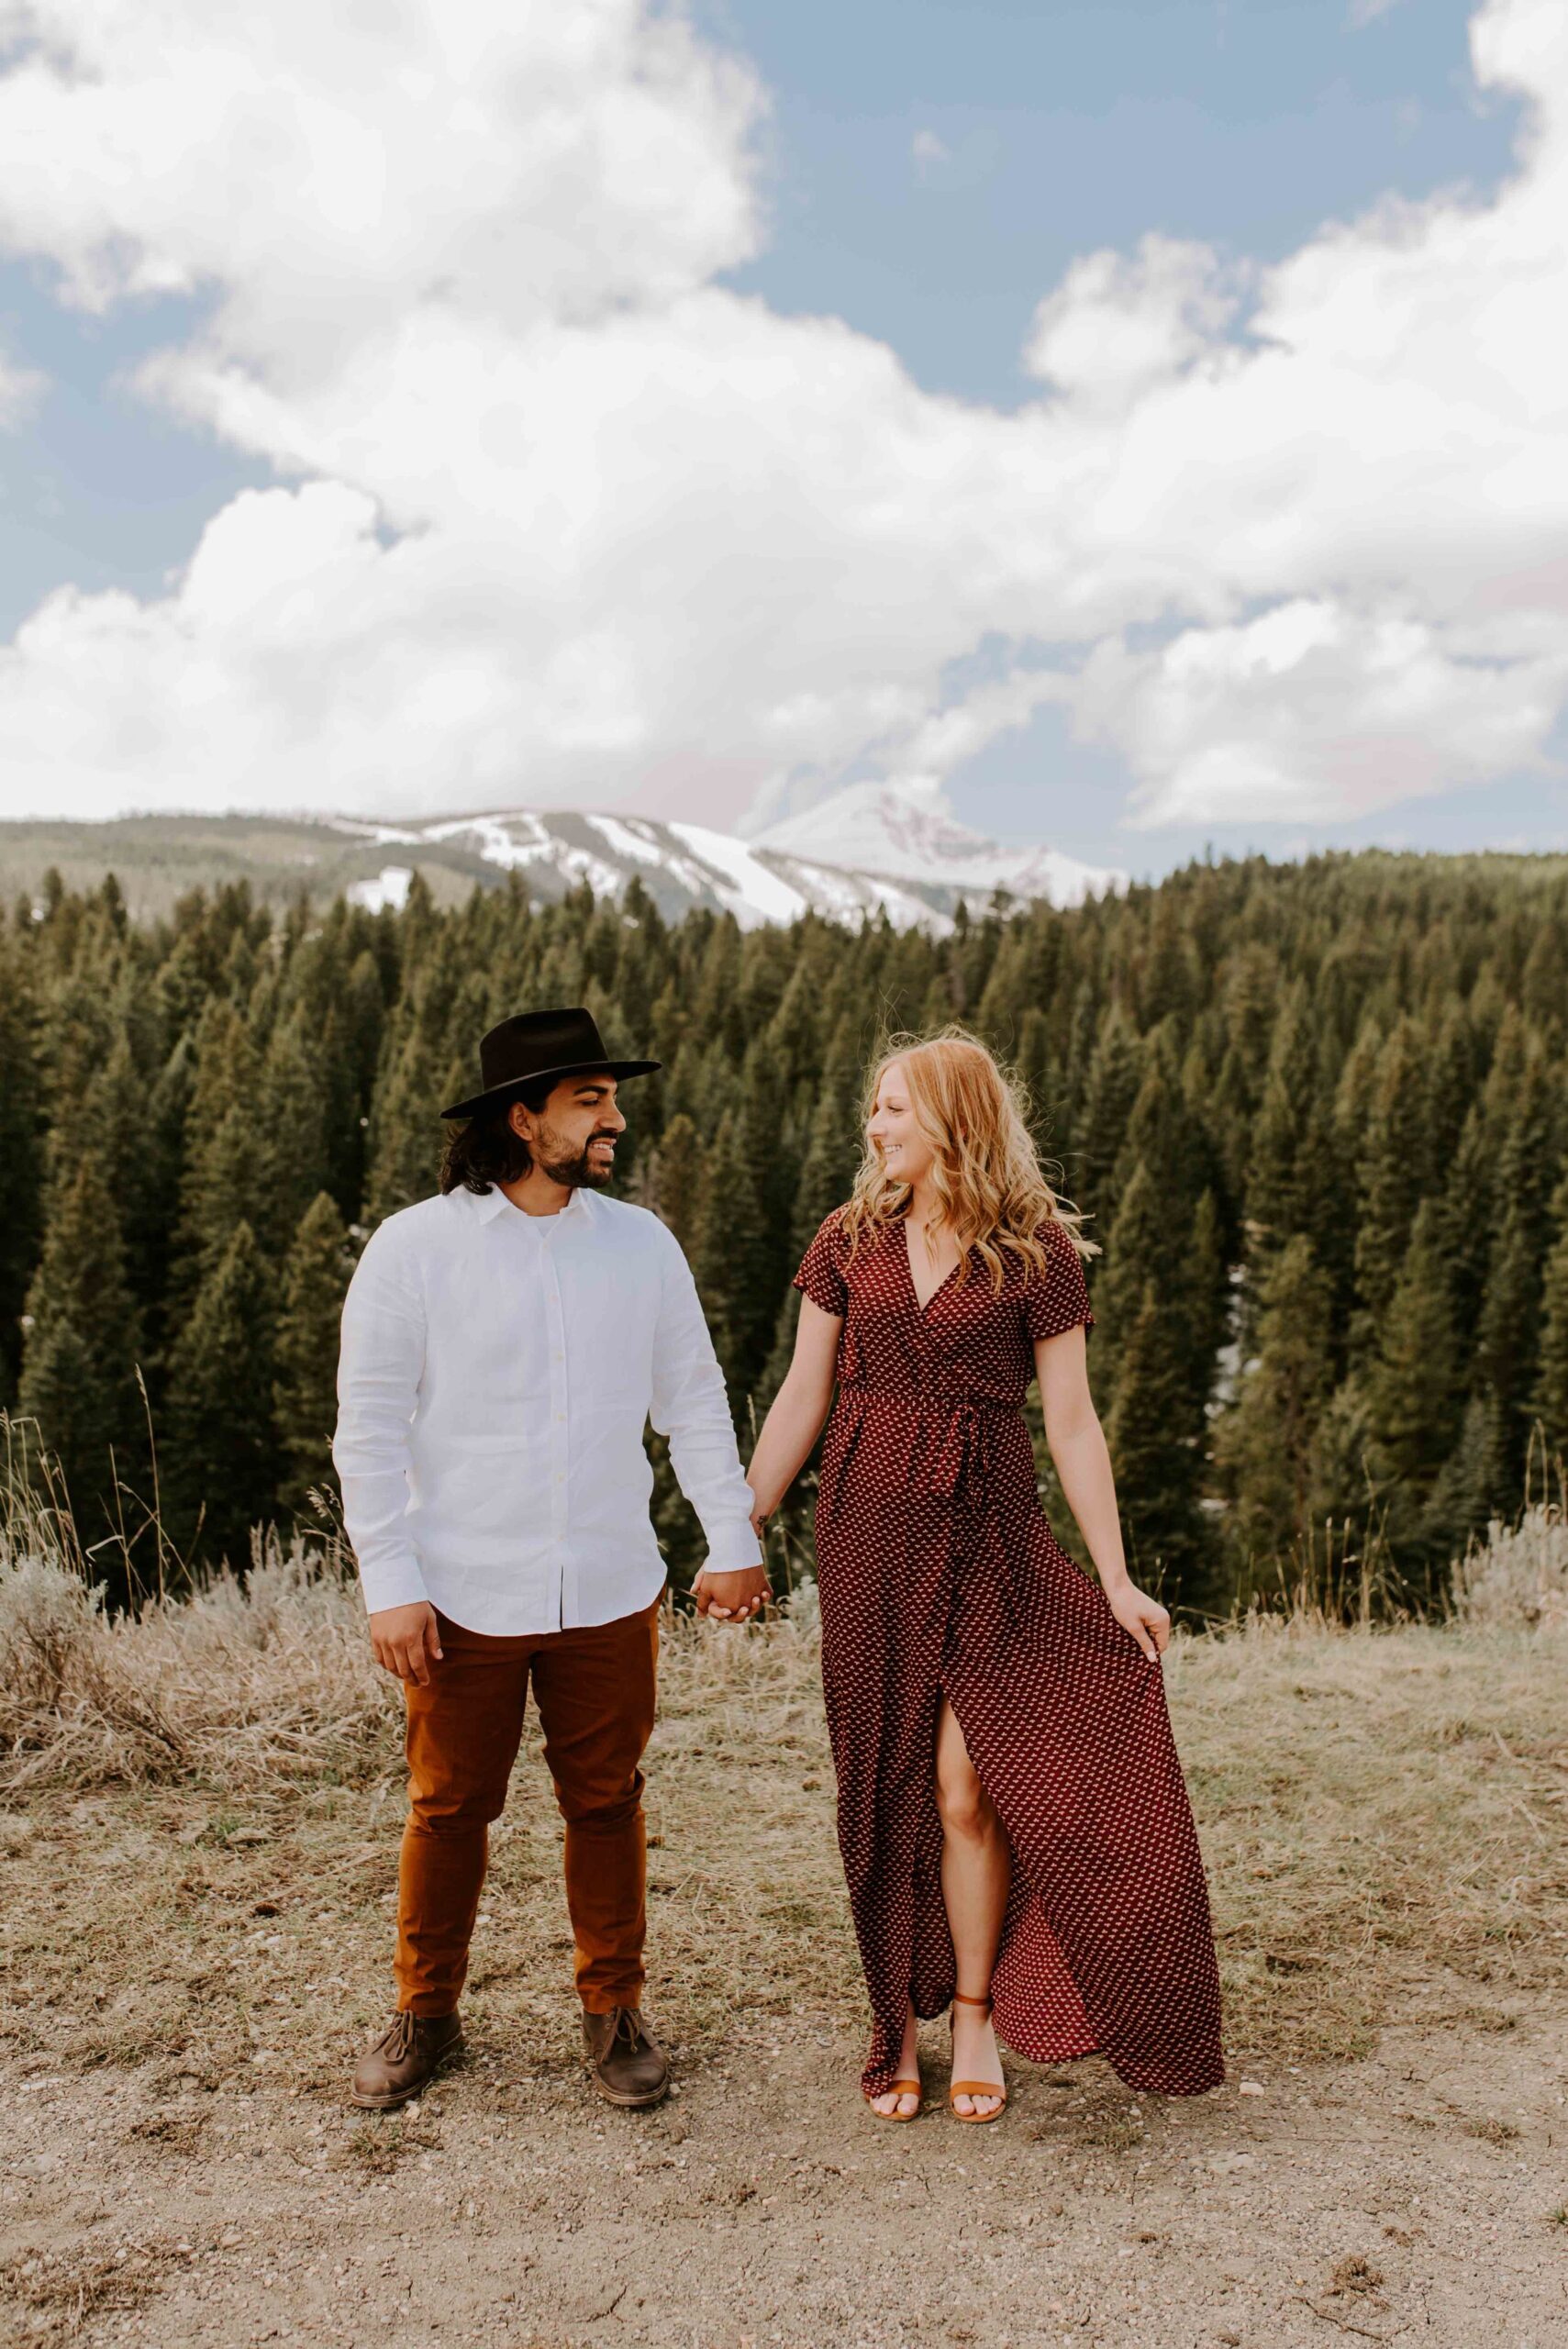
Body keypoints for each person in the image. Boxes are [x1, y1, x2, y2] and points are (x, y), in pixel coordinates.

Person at [740, 1029, 1225, 2121]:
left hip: (990, 1541)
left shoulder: (1035, 1253)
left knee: (968, 1787)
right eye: (873, 1109)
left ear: (955, 1117)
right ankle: (889, 2025)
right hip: (864, 1540)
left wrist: (1113, 1576)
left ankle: (971, 2011)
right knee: (880, 1787)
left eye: (894, 1109)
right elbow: (800, 1392)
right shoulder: (846, 1239)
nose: (875, 1128)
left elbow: (1070, 1421)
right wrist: (745, 1519)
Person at [333, 1007, 770, 2113]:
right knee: (446, 1807)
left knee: (607, 1800)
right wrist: (389, 1581)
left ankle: (612, 2011)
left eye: (611, 1098)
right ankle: (424, 2014)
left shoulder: (642, 1246)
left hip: (608, 1583)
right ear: (523, 1119)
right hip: (458, 1590)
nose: (615, 1117)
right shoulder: (413, 1248)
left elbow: (696, 1405)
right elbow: (370, 1425)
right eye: (591, 1099)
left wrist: (730, 1538)